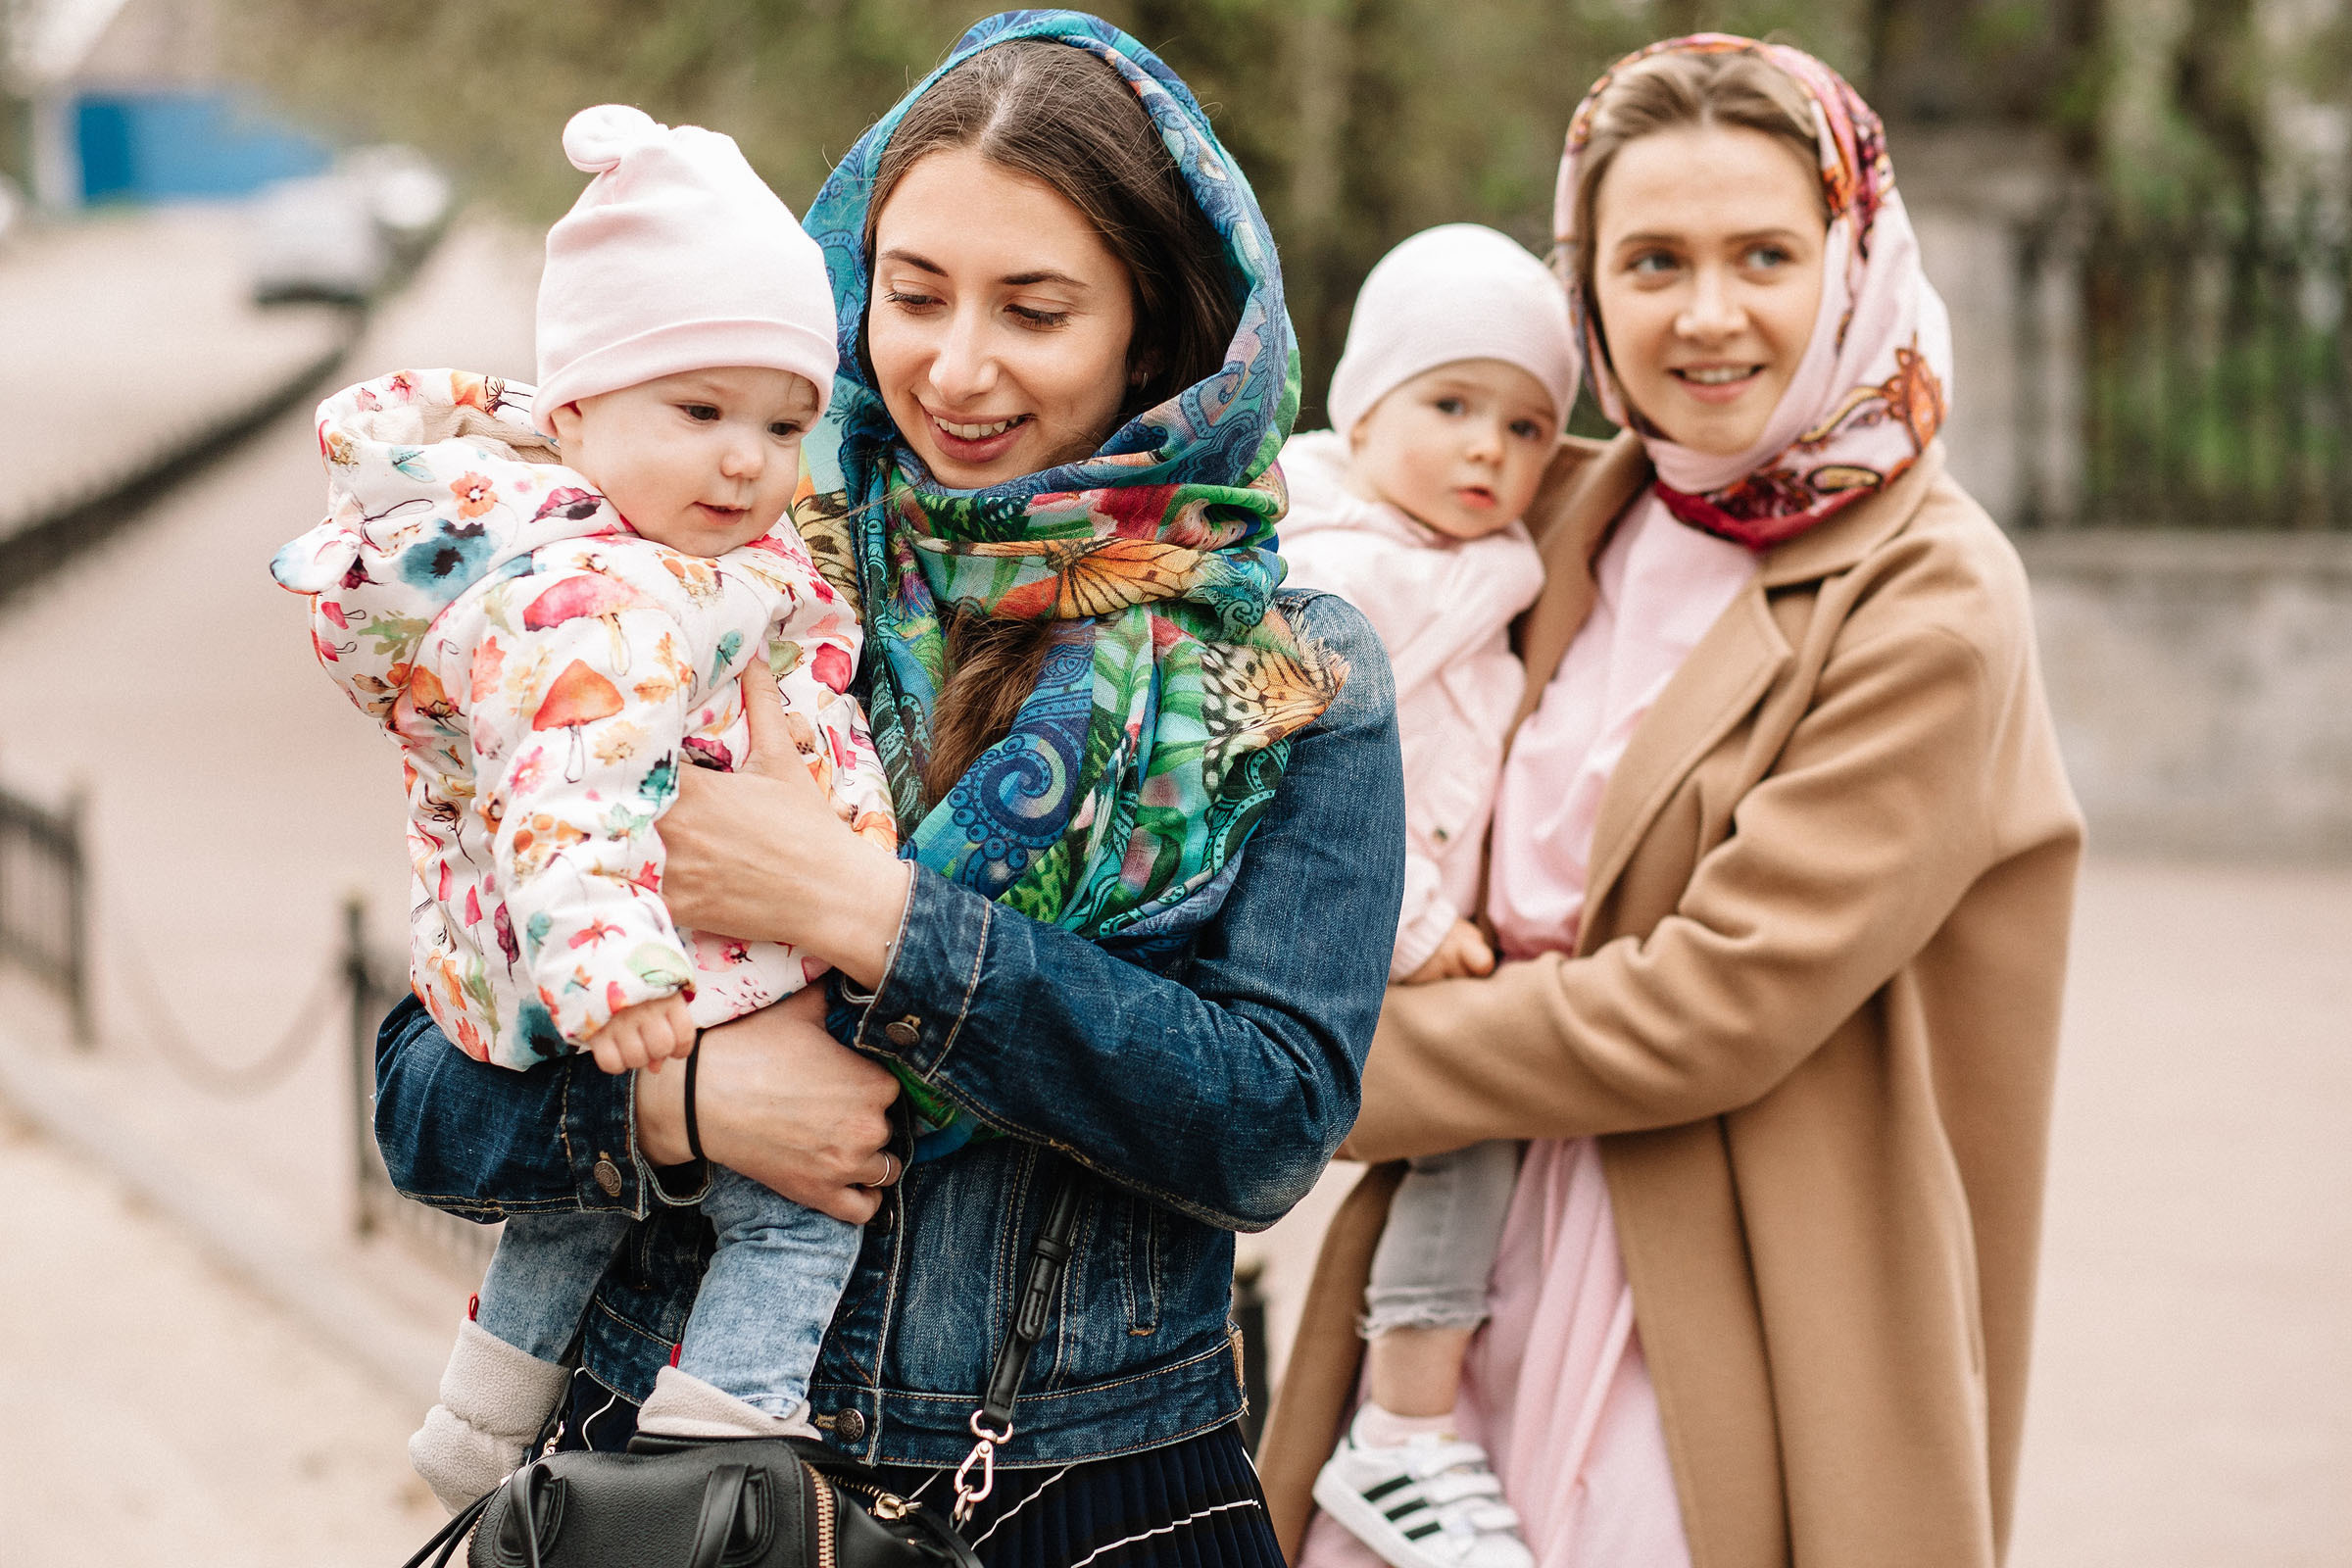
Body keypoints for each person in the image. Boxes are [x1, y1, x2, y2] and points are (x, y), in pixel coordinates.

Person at [369, 13, 1405, 1568]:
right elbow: (420, 1093)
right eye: (913, 296)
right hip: (665, 1492)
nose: (956, 366)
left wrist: (866, 914)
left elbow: (1267, 1126)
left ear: (1150, 328)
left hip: (1081, 1507)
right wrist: (680, 1101)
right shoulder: (712, 576)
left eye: (1035, 310)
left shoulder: (1292, 670)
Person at [1263, 34, 2083, 1568]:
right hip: (1456, 1265)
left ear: (1849, 261)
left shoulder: (1930, 594)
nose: (1706, 315)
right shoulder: (1558, 505)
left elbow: (1718, 1003)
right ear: (1586, 288)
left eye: (1764, 253)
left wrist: (1300, 1072)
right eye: (1652, 260)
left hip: (1732, 1298)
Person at [272, 104, 900, 1509]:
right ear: (574, 419)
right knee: (798, 1228)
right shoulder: (602, 600)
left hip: (628, 978)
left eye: (785, 422)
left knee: (567, 1220)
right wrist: (613, 972)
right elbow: (569, 793)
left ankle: (479, 1421)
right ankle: (713, 1466)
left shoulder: (666, 565)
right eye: (699, 412)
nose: (748, 460)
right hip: (663, 981)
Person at [1274, 223, 1578, 1568]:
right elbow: (1293, 770)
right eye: (1449, 406)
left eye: (1523, 428)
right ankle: (1403, 1427)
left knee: (1468, 1141)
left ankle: (1404, 1419)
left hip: (1425, 935)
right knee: (1471, 1120)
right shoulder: (1341, 567)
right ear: (1365, 404)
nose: (1487, 453)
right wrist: (1412, 936)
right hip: (1355, 937)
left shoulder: (1488, 569)